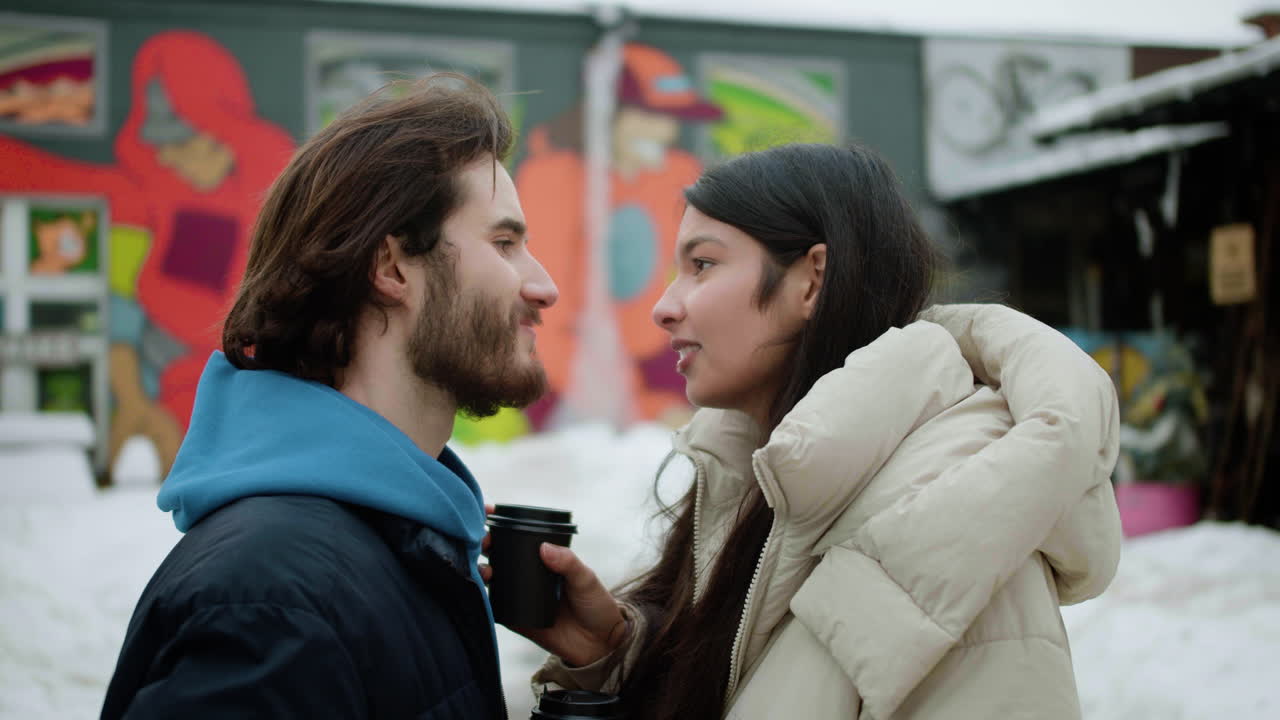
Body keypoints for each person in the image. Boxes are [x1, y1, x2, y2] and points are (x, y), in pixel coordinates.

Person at [509, 143, 1123, 720]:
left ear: (812, 279)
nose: (664, 307)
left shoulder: (957, 509)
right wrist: (619, 653)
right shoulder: (761, 473)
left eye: (703, 264)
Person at [101, 73, 556, 719]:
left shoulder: (391, 541)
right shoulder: (274, 598)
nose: (543, 287)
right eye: (504, 244)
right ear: (391, 267)